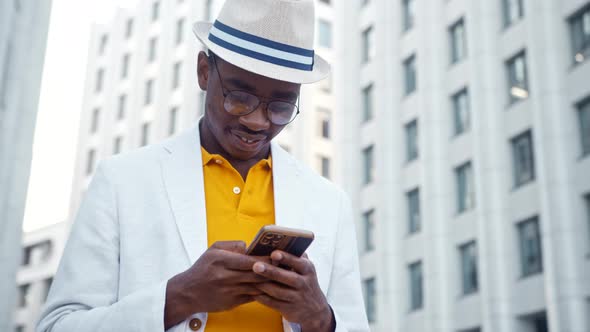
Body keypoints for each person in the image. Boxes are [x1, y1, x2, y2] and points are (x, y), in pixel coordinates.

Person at [37, 0, 369, 331]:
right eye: (239, 97)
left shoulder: (330, 203)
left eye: (281, 106)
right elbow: (56, 326)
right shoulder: (123, 182)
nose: (256, 122)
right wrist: (179, 297)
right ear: (204, 71)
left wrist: (321, 319)